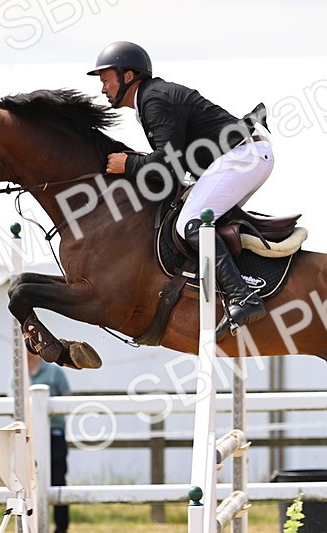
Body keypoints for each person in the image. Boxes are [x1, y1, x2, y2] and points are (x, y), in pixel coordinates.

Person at [88, 40, 273, 337]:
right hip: (242, 156)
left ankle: (243, 297)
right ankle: (246, 283)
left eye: (105, 79)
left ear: (128, 76)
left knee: (191, 223)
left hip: (242, 156)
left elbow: (167, 161)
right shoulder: (149, 100)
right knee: (200, 221)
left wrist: (128, 164)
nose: (102, 88)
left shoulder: (154, 99)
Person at [28, 353, 72, 533]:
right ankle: (32, 529)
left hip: (54, 433)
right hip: (30, 435)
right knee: (28, 481)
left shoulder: (55, 371)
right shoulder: (17, 374)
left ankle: (61, 530)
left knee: (58, 479)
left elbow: (67, 398)